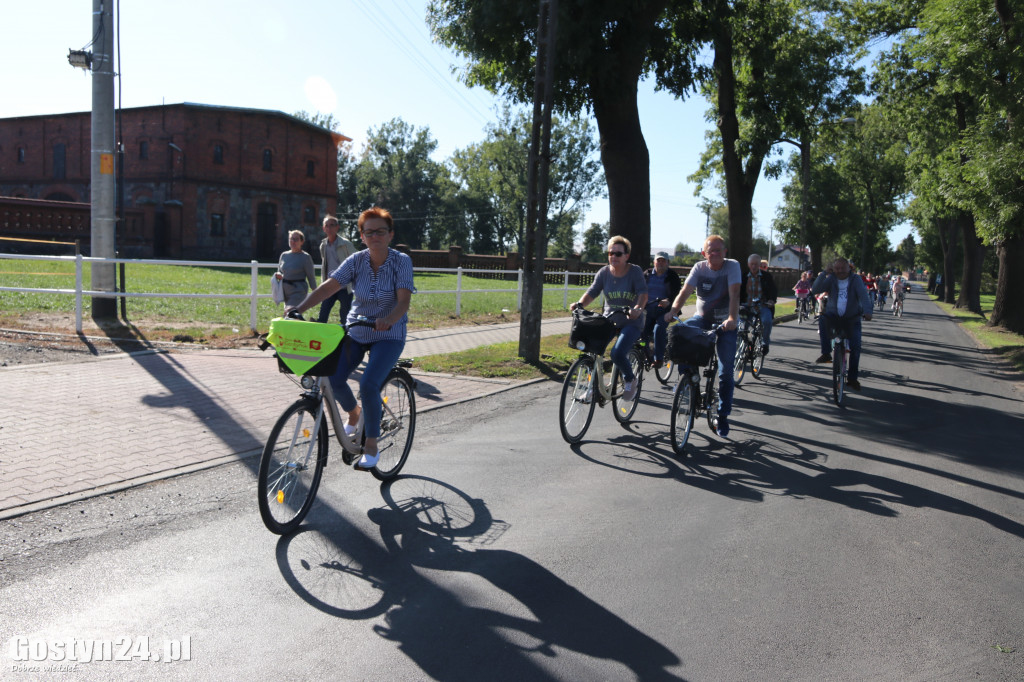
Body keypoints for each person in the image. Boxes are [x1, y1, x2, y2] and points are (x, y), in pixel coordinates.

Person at [286, 207, 414, 470]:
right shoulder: (356, 260)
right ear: (362, 235)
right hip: (357, 329)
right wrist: (300, 308)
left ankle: (371, 446)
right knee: (333, 378)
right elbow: (330, 286)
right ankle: (355, 414)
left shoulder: (401, 261)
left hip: (389, 334)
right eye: (369, 232)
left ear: (390, 234)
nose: (375, 236)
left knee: (368, 384)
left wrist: (389, 319)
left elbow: (403, 301)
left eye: (380, 231)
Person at [664, 235, 741, 438]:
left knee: (725, 372)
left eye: (719, 250)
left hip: (726, 323)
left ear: (725, 252)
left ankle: (722, 416)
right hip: (702, 319)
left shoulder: (732, 266)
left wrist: (732, 318)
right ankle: (689, 384)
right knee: (681, 333)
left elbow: (735, 294)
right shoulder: (699, 268)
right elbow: (685, 291)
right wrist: (673, 310)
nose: (715, 253)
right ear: (704, 253)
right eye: (711, 250)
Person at [570, 236, 648, 403]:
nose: (613, 257)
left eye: (618, 254)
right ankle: (592, 389)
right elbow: (592, 292)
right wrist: (579, 304)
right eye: (610, 253)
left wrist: (638, 309)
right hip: (610, 319)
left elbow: (643, 293)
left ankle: (629, 378)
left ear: (626, 256)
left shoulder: (634, 271)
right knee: (593, 350)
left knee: (617, 353)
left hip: (631, 321)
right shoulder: (604, 272)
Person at [812, 257, 873, 391]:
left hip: (852, 318)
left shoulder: (855, 280)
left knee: (856, 347)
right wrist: (824, 273)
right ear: (833, 269)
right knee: (822, 319)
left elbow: (864, 296)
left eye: (842, 268)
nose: (840, 271)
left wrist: (868, 312)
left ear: (848, 268)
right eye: (837, 268)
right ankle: (826, 353)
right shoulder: (831, 279)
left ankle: (852, 378)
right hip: (834, 316)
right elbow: (815, 289)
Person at [642, 252, 682, 369]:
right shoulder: (647, 274)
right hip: (648, 310)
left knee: (658, 329)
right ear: (654, 262)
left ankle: (658, 358)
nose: (660, 263)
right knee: (641, 332)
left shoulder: (672, 276)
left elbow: (677, 294)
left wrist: (668, 301)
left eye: (663, 261)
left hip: (664, 312)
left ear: (668, 263)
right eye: (658, 261)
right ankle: (645, 352)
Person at [317, 215, 356, 324]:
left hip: (344, 287)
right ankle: (320, 338)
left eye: (332, 225)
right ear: (323, 228)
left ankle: (346, 339)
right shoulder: (323, 245)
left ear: (337, 227)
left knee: (345, 317)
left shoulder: (346, 244)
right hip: (329, 287)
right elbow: (325, 263)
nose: (329, 228)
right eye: (327, 226)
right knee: (322, 315)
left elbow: (356, 262)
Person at [739, 254, 777, 354]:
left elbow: (773, 290)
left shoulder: (766, 277)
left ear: (760, 264)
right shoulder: (743, 276)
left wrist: (771, 301)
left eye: (756, 264)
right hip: (746, 306)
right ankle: (742, 346)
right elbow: (737, 292)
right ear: (748, 264)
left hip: (762, 306)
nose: (754, 266)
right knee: (740, 326)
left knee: (767, 321)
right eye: (752, 264)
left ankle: (765, 343)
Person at [275, 230, 317, 307]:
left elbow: (311, 277)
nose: (293, 241)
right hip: (285, 292)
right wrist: (278, 275)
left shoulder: (305, 257)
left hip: (298, 291)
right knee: (292, 315)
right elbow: (280, 271)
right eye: (291, 238)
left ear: (302, 242)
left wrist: (316, 293)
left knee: (290, 312)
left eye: (296, 239)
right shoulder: (284, 255)